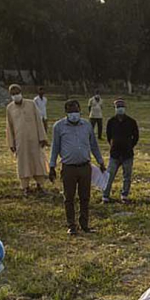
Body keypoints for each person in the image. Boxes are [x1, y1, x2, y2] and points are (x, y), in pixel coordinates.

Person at [49, 99, 105, 236]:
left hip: (85, 167)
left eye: (76, 110)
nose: (74, 114)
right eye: (70, 111)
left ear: (80, 110)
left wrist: (101, 161)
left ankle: (84, 224)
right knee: (69, 197)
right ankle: (71, 225)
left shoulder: (86, 125)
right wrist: (51, 166)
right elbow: (55, 147)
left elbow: (94, 145)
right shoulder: (59, 127)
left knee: (85, 197)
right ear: (66, 113)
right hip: (68, 168)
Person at [5, 84, 49, 195]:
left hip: (34, 140)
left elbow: (38, 121)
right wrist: (11, 143)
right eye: (13, 94)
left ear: (21, 92)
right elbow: (9, 127)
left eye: (17, 92)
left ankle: (40, 186)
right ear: (11, 95)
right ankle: (26, 188)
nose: (16, 95)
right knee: (23, 163)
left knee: (38, 161)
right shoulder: (9, 108)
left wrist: (42, 137)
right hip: (20, 141)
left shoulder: (31, 104)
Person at [103, 98, 139, 204]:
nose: (120, 109)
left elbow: (136, 137)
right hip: (114, 154)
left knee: (127, 176)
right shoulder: (111, 121)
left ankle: (124, 195)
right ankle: (105, 196)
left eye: (121, 107)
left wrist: (129, 146)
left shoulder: (131, 122)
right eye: (118, 107)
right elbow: (109, 136)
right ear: (115, 108)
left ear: (125, 108)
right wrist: (114, 145)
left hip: (127, 154)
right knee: (109, 175)